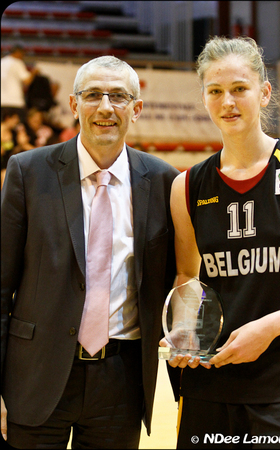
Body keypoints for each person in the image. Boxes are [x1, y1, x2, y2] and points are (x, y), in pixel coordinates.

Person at [1, 55, 179, 449]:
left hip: (121, 382)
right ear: (73, 104)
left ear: (137, 108)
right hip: (34, 375)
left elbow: (173, 286)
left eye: (118, 96)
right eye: (93, 95)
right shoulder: (28, 172)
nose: (104, 107)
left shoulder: (165, 181)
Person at [160, 36, 280, 448]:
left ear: (264, 92)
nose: (228, 102)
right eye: (216, 91)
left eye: (240, 88)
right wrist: (184, 333)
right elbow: (188, 277)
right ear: (204, 98)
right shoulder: (186, 187)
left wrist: (270, 328)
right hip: (210, 383)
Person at [1, 45, 39, 122]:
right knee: (20, 127)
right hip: (15, 102)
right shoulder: (17, 62)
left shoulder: (1, 62)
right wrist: (34, 73)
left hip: (2, 101)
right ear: (18, 53)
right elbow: (27, 81)